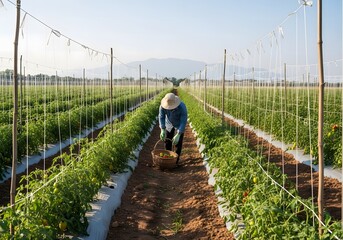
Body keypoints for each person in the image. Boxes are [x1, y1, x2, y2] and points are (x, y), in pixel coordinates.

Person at [159, 92, 188, 167]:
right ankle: (168, 158)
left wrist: (178, 134)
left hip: (178, 123)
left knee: (178, 142)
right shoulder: (162, 106)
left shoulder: (182, 107)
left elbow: (183, 121)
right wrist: (162, 129)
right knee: (167, 140)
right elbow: (161, 117)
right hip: (168, 122)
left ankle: (175, 161)